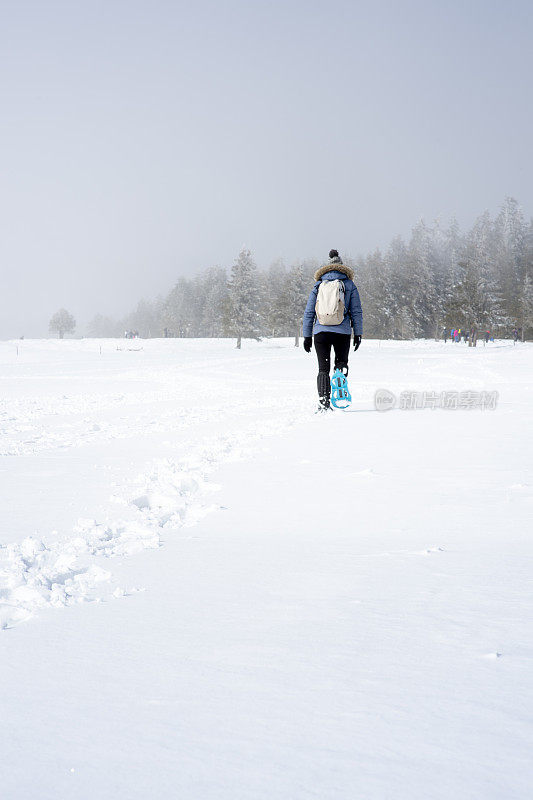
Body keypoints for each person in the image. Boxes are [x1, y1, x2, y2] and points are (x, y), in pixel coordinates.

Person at [302, 249, 363, 410]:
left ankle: (324, 401)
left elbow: (309, 312)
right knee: (340, 363)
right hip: (342, 333)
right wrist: (358, 333)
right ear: (342, 267)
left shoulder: (319, 285)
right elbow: (356, 311)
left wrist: (307, 336)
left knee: (323, 368)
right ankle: (340, 395)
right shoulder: (349, 285)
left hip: (320, 332)